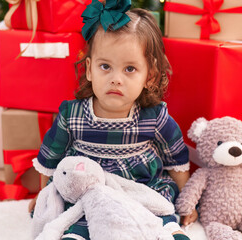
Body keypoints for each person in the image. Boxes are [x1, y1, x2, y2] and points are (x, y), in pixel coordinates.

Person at [29, 0, 198, 239]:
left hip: (141, 188)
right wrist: (43, 196)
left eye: (129, 69)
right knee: (81, 214)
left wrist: (186, 203)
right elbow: (50, 159)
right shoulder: (72, 115)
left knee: (157, 209)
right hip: (91, 190)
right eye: (105, 66)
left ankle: (169, 230)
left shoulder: (155, 117)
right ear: (89, 70)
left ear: (149, 76)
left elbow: (177, 161)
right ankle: (77, 234)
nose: (116, 79)